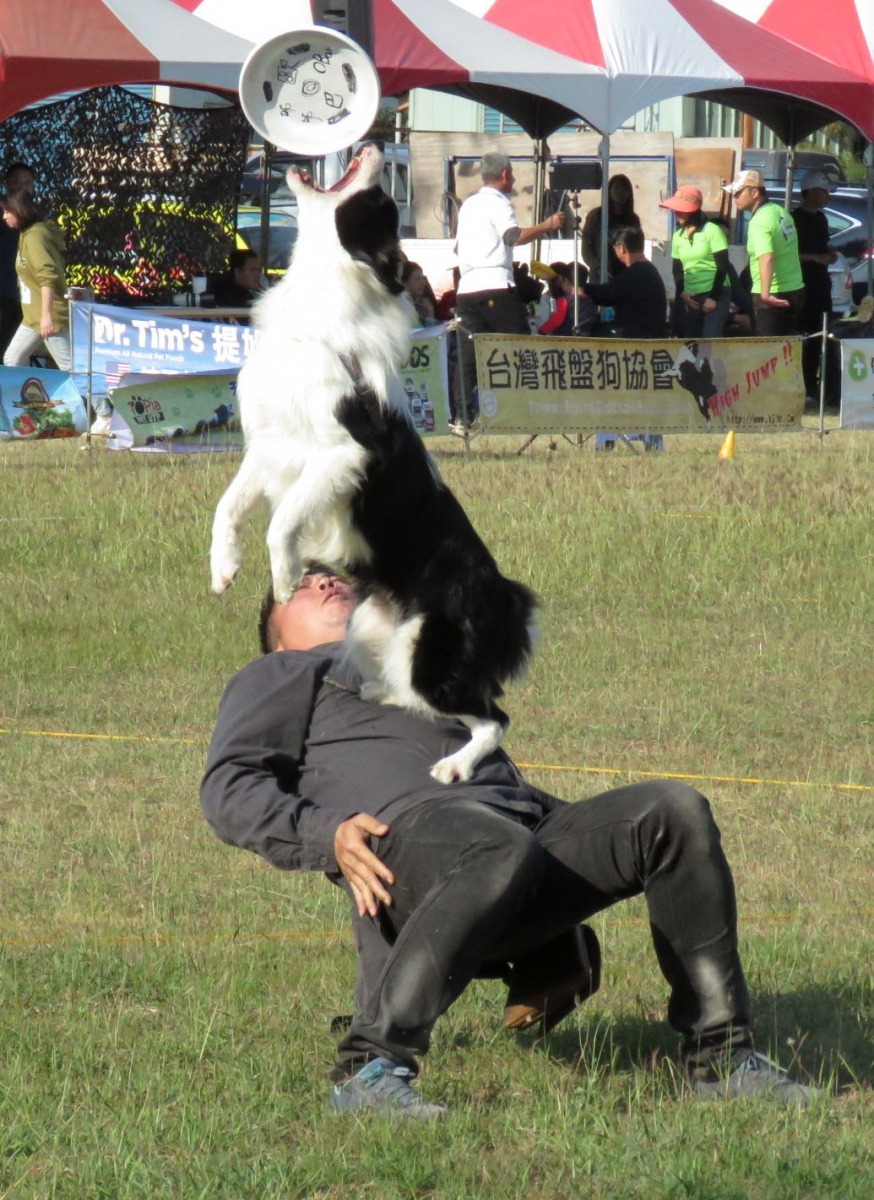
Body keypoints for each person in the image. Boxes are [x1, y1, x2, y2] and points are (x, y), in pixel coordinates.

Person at [200, 568, 816, 1119]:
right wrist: (325, 833)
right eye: (300, 586)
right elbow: (230, 786)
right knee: (494, 844)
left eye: (333, 575)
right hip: (404, 846)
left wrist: (577, 890)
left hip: (507, 839)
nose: (325, 580)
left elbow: (509, 795)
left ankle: (725, 1061)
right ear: (277, 638)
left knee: (672, 811)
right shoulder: (281, 673)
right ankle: (368, 1067)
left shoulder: (421, 677)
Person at [454, 152, 564, 419]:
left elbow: (458, 247)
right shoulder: (498, 202)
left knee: (469, 357)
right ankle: (526, 411)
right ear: (504, 174)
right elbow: (513, 236)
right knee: (519, 347)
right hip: (495, 284)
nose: (513, 178)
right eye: (511, 173)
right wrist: (546, 225)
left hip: (466, 288)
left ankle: (462, 416)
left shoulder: (468, 205)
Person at [722, 169, 804, 337]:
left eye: (738, 193)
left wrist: (765, 294)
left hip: (771, 293)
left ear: (754, 192)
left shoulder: (760, 220)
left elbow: (767, 257)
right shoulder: (780, 212)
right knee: (786, 345)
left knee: (766, 348)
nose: (734, 198)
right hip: (795, 289)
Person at [1, 187, 72, 375]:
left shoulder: (36, 236)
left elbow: (47, 276)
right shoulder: (26, 234)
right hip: (32, 318)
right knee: (12, 359)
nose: (4, 216)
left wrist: (47, 315)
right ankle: (27, 393)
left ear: (19, 210)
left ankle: (99, 397)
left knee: (70, 369)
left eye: (7, 211)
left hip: (49, 317)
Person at [792, 170, 839, 406]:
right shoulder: (794, 219)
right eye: (823, 192)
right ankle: (798, 384)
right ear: (809, 192)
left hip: (821, 286)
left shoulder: (821, 219)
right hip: (800, 285)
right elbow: (787, 255)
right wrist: (814, 258)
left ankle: (814, 386)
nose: (827, 196)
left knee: (821, 336)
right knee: (801, 336)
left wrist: (830, 253)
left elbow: (824, 244)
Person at [660, 185, 731, 339]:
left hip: (716, 292)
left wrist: (713, 297)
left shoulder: (712, 230)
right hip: (691, 296)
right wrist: (682, 292)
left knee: (711, 339)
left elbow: (722, 266)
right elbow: (677, 269)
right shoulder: (678, 236)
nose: (676, 213)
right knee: (691, 342)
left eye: (680, 209)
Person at [582, 225, 668, 339]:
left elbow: (606, 294)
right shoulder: (649, 269)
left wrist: (582, 287)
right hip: (651, 332)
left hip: (635, 334)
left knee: (591, 331)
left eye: (615, 247)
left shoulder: (634, 273)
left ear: (622, 248)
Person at [0, 163, 35, 358]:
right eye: (17, 182)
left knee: (13, 355)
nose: (22, 187)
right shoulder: (5, 214)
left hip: (26, 299)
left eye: (27, 183)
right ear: (7, 184)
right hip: (5, 295)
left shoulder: (38, 220)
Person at [581, 174, 642, 283]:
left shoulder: (633, 219)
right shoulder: (597, 215)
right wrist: (599, 268)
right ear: (609, 191)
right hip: (600, 277)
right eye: (617, 187)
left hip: (625, 276)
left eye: (625, 189)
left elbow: (637, 249)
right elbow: (586, 248)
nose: (620, 192)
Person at [538, 262, 598, 336]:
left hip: (566, 338)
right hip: (585, 337)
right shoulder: (590, 301)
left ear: (565, 280)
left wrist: (542, 330)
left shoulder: (564, 300)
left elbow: (556, 320)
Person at [400, 260, 438, 326]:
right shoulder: (404, 307)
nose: (422, 283)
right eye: (417, 279)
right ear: (405, 282)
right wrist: (430, 313)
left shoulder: (421, 305)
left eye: (422, 278)